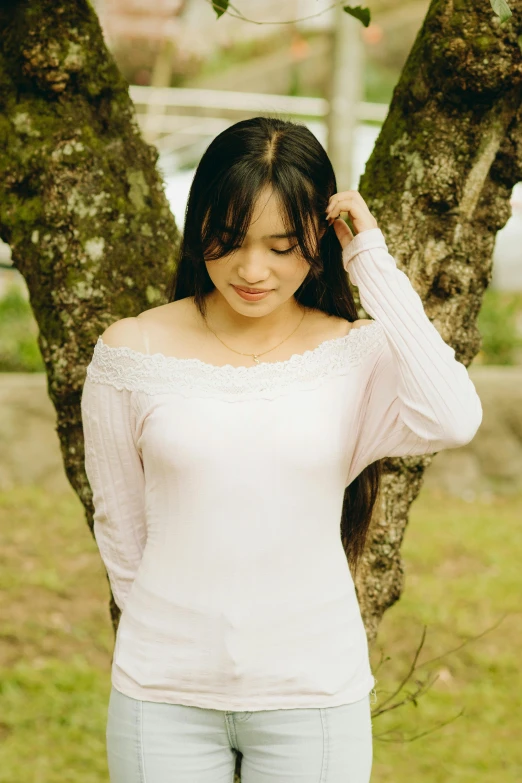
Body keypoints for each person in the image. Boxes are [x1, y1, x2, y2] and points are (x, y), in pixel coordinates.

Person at [80, 115, 483, 783]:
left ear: (318, 242)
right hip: (164, 696)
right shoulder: (131, 352)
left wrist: (370, 261)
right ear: (198, 222)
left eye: (282, 245)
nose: (252, 269)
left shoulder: (354, 355)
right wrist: (172, 649)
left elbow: (454, 415)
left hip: (315, 694)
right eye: (230, 239)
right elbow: (122, 533)